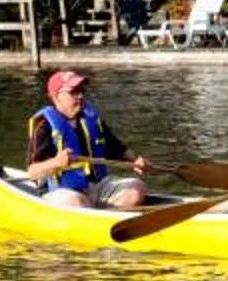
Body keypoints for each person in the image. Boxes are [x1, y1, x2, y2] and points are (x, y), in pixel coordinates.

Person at [25, 68, 152, 208]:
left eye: (81, 91)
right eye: (73, 92)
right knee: (77, 203)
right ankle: (97, 217)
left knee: (137, 189)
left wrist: (136, 161)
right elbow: (32, 172)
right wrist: (56, 163)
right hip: (62, 191)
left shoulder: (91, 118)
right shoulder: (44, 126)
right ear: (55, 96)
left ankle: (107, 218)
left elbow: (117, 149)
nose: (80, 96)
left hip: (96, 184)